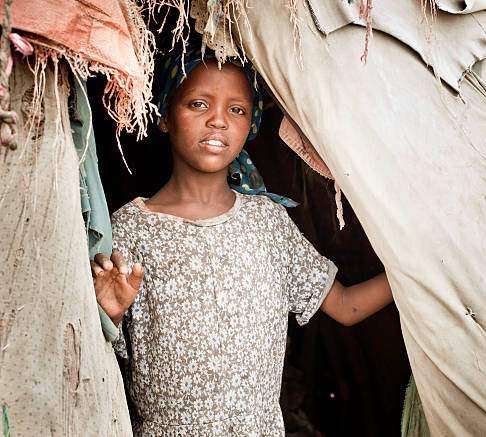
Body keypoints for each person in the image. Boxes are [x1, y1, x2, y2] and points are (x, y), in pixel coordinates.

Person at [91, 48, 393, 435]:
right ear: (165, 115)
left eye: (237, 110)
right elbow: (99, 356)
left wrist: (420, 274)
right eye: (198, 104)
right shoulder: (130, 229)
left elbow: (346, 307)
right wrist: (109, 314)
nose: (218, 120)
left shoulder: (267, 222)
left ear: (251, 124)